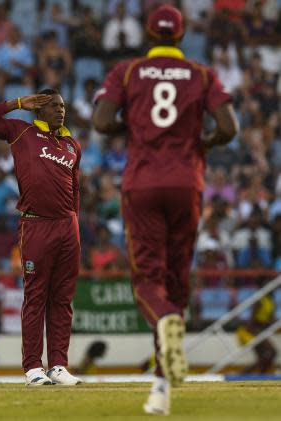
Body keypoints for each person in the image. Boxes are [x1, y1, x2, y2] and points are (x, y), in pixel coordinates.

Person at [93, 5, 238, 416]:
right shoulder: (201, 73)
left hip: (142, 184)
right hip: (186, 182)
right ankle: (161, 387)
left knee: (147, 283)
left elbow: (103, 122)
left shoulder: (126, 71)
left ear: (148, 34)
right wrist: (200, 141)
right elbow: (229, 128)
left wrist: (137, 129)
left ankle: (166, 325)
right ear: (182, 34)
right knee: (176, 280)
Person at [0, 89, 82, 386]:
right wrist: (17, 103)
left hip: (68, 227)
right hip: (35, 225)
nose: (61, 111)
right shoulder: (21, 132)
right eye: (54, 106)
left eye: (63, 106)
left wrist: (74, 220)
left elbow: (75, 190)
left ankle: (58, 365)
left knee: (63, 298)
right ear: (39, 109)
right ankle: (33, 367)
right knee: (36, 297)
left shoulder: (72, 144)